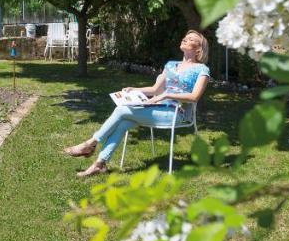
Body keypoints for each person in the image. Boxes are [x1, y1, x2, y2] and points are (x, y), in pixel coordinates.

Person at [64, 30, 211, 177]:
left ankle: (90, 144)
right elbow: (154, 89)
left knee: (121, 111)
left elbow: (195, 97)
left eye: (190, 39)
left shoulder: (202, 70)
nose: (185, 39)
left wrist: (166, 94)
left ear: (198, 49)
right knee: (122, 123)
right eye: (185, 37)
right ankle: (99, 164)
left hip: (176, 113)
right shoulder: (171, 65)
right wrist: (134, 89)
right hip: (156, 108)